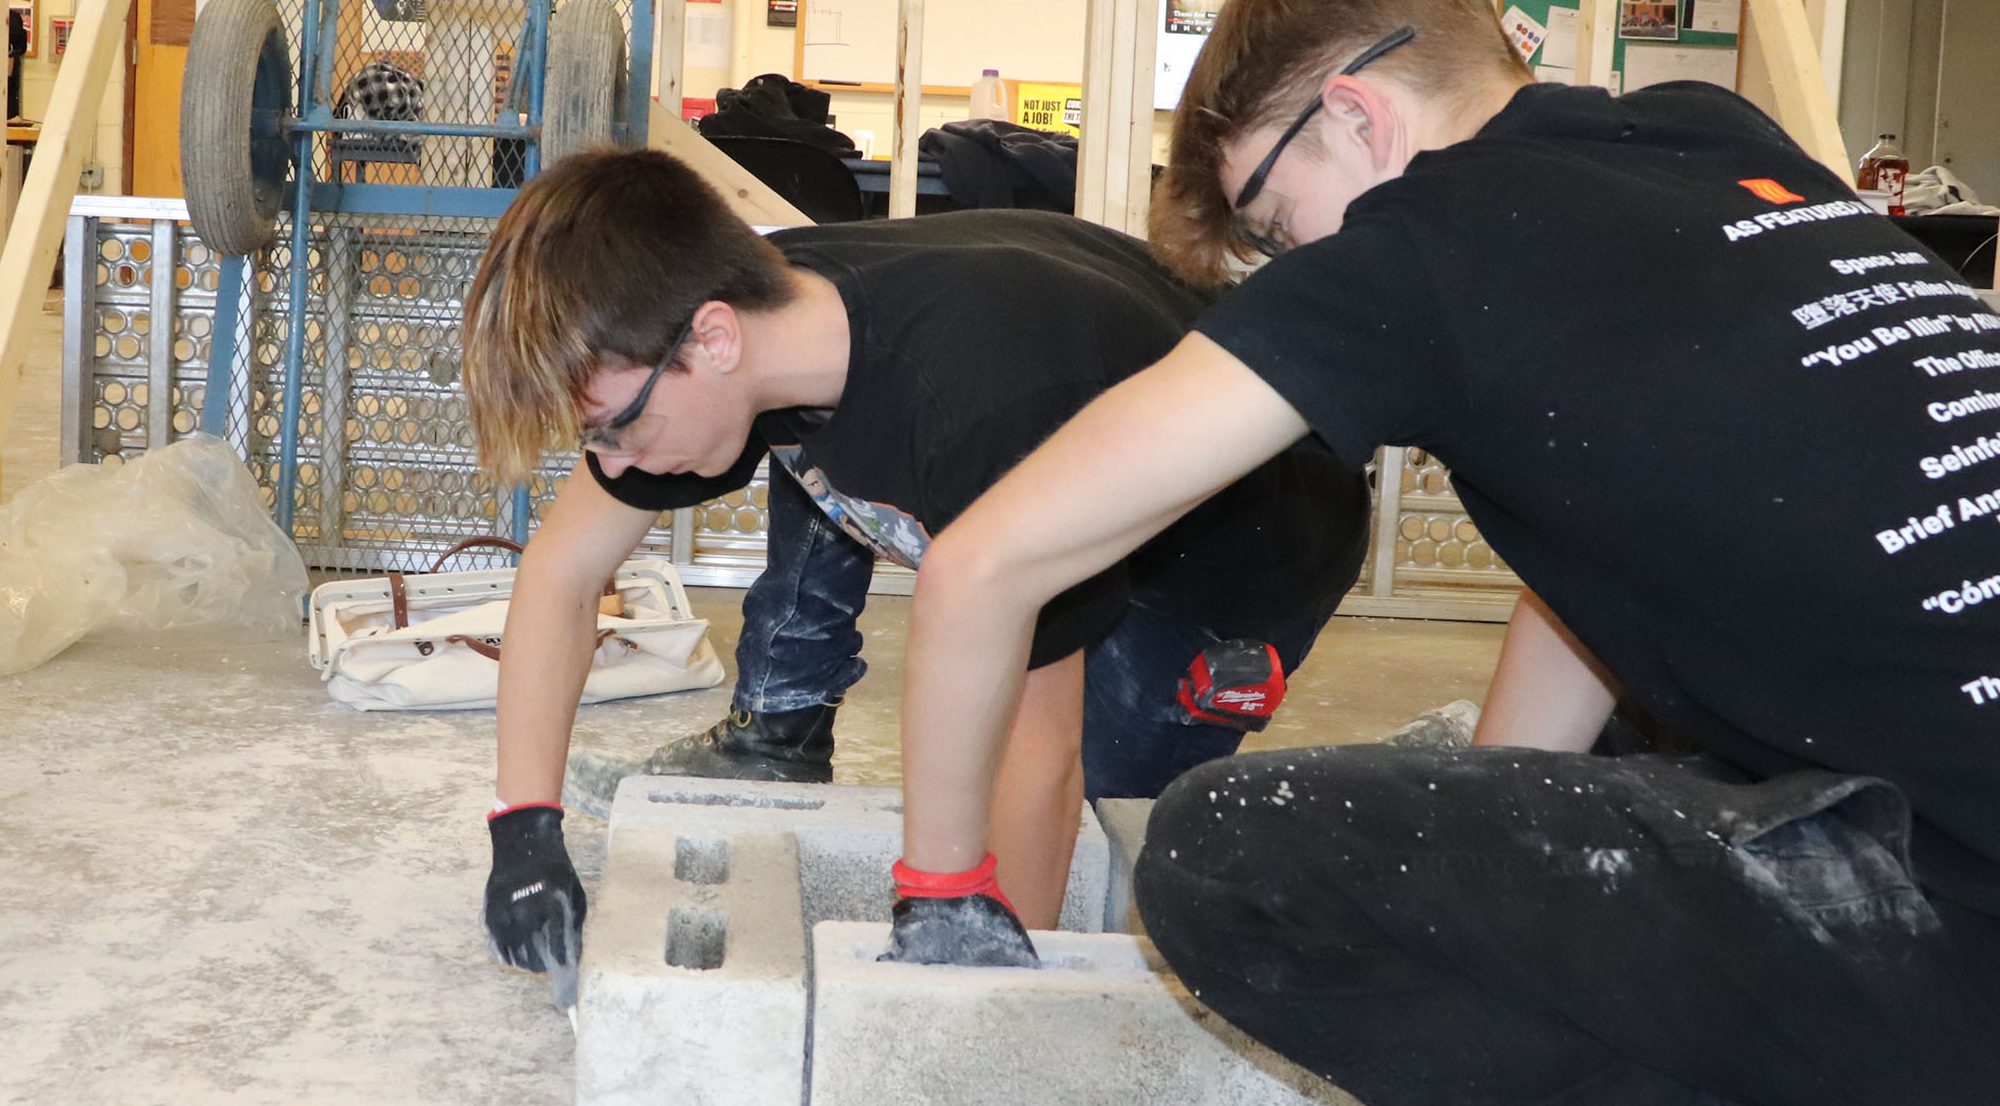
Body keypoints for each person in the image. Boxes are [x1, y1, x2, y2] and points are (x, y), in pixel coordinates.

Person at [883, 0, 2000, 1102]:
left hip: (1955, 907)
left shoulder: (1415, 244)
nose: (1291, 257)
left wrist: (940, 894)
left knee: (1230, 850)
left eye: (1274, 223)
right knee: (1601, 735)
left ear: (1358, 117)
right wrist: (1480, 812)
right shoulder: (1706, 131)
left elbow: (987, 561)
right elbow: (1600, 556)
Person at [458, 147, 1367, 984]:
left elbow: (1034, 755)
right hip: (1066, 406)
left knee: (1107, 823)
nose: (610, 466)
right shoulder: (757, 314)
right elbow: (565, 571)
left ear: (714, 340)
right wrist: (524, 827)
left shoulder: (981, 408)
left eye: (618, 429)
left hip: (1236, 554)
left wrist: (974, 1005)